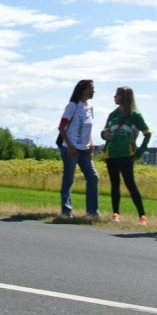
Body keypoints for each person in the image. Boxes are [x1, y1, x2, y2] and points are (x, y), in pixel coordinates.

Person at [100, 86, 151, 225]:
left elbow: (148, 133)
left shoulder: (135, 115)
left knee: (130, 185)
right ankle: (115, 214)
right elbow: (105, 130)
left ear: (124, 97)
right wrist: (104, 134)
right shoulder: (112, 114)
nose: (114, 97)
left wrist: (140, 152)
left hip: (127, 155)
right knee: (114, 185)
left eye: (117, 95)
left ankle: (142, 216)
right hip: (111, 155)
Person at [58, 79, 99, 219]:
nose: (93, 91)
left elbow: (87, 128)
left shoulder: (90, 107)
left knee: (93, 178)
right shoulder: (73, 106)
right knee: (68, 180)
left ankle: (92, 213)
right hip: (71, 149)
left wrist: (91, 144)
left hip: (85, 150)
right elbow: (61, 127)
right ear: (83, 90)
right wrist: (70, 145)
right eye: (91, 88)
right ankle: (66, 211)